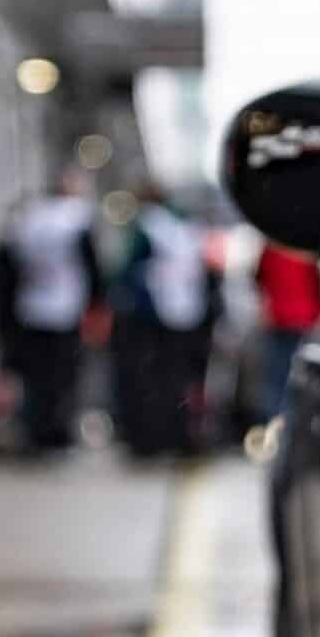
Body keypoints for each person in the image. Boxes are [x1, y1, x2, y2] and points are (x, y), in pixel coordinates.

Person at [1, 169, 104, 453]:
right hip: (66, 308)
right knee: (64, 377)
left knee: (37, 378)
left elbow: (8, 268)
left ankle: (37, 432)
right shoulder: (77, 219)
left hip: (31, 308)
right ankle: (60, 433)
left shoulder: (28, 220)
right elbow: (92, 268)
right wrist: (97, 304)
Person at [112, 184, 219, 457]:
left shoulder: (147, 227)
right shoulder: (189, 228)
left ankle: (151, 437)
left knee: (151, 379)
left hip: (153, 315)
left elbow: (127, 270)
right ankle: (179, 434)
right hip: (190, 314)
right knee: (181, 378)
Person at [253, 240, 320, 426]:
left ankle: (276, 422)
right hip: (302, 320)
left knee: (277, 376)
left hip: (282, 319)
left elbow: (259, 278)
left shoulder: (272, 247)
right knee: (298, 377)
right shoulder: (306, 249)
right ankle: (291, 422)